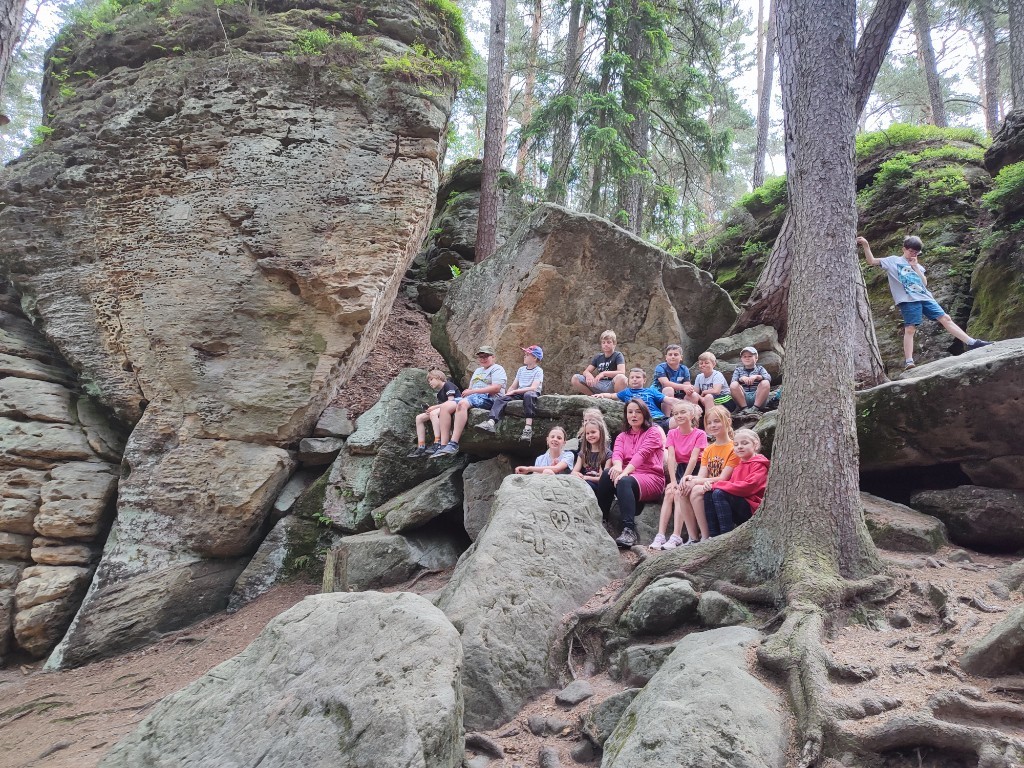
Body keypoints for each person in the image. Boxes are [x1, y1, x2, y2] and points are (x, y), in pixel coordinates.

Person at [858, 235, 991, 370]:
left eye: (916, 253)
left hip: (925, 297)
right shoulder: (893, 261)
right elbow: (872, 261)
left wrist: (915, 267)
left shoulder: (918, 265)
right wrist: (866, 245)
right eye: (911, 251)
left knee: (946, 318)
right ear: (904, 249)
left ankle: (972, 342)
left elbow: (924, 283)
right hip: (908, 300)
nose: (913, 254)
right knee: (910, 328)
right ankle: (909, 361)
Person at [594, 398, 667, 548]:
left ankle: (629, 531)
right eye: (630, 412)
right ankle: (602, 521)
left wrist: (624, 472)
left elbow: (642, 454)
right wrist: (618, 467)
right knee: (607, 474)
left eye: (638, 412)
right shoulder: (622, 436)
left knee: (624, 480)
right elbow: (617, 454)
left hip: (651, 477)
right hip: (627, 476)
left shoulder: (653, 432)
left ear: (644, 414)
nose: (633, 415)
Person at [672, 405, 739, 546]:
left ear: (728, 421)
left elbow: (724, 478)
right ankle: (693, 537)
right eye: (709, 423)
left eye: (717, 421)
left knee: (696, 490)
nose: (713, 425)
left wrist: (696, 482)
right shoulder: (709, 449)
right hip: (709, 483)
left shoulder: (734, 448)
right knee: (683, 488)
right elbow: (702, 474)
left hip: (724, 488)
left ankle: (705, 535)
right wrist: (689, 478)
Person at [650, 401, 707, 550]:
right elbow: (671, 457)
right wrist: (674, 480)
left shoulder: (700, 434)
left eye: (683, 412)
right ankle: (660, 535)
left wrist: (683, 480)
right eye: (675, 414)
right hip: (680, 469)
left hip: (695, 470)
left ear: (691, 415)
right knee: (670, 491)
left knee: (679, 493)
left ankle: (676, 536)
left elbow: (694, 458)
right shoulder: (672, 433)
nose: (679, 416)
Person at [433, 346, 507, 458]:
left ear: (493, 357)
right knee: (445, 406)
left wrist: (472, 391)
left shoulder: (497, 369)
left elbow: (496, 388)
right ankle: (443, 445)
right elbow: (471, 388)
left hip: (490, 398)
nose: (483, 359)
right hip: (474, 396)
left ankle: (453, 443)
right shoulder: (478, 371)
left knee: (462, 404)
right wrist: (469, 392)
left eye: (486, 356)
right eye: (480, 357)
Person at [700, 428, 769, 536]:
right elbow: (732, 485)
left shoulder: (759, 464)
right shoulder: (739, 465)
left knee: (719, 493)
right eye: (736, 444)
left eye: (744, 443)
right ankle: (713, 535)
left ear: (755, 445)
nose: (739, 447)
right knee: (709, 493)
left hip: (752, 508)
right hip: (739, 505)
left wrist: (716, 485)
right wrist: (711, 486)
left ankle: (726, 534)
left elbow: (748, 487)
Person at [476, 345, 544, 441]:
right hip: (519, 392)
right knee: (500, 399)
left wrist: (515, 391)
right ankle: (491, 422)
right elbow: (513, 386)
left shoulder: (538, 371)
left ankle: (528, 427)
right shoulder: (521, 370)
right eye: (525, 354)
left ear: (535, 358)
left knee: (528, 395)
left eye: (527, 355)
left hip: (531, 392)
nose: (524, 356)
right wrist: (507, 395)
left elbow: (533, 388)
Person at [593, 368, 677, 431]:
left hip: (660, 418)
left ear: (644, 380)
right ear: (628, 380)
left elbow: (668, 400)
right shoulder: (626, 392)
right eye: (632, 377)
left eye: (638, 377)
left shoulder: (651, 391)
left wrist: (683, 405)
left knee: (680, 420)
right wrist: (602, 395)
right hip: (644, 421)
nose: (634, 379)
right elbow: (612, 396)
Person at [407, 369, 460, 458]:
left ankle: (437, 442)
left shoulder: (448, 385)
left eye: (431, 379)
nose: (430, 383)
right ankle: (421, 446)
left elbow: (451, 400)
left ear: (439, 377)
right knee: (419, 418)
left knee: (433, 413)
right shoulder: (439, 393)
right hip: (443, 408)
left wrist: (434, 407)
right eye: (428, 382)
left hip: (455, 405)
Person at [570, 329, 628, 394]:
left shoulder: (617, 355)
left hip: (612, 384)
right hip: (599, 384)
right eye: (603, 342)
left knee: (621, 378)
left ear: (614, 344)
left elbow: (622, 372)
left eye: (608, 342)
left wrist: (604, 373)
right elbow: (586, 371)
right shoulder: (598, 357)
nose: (606, 344)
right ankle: (593, 397)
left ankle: (617, 398)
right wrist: (588, 375)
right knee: (575, 378)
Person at [571, 412, 613, 491]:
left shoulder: (608, 454)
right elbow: (573, 472)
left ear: (601, 432)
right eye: (587, 433)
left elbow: (604, 479)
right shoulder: (583, 453)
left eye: (593, 432)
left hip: (600, 488)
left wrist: (586, 478)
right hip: (584, 482)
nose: (590, 435)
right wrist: (577, 474)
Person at [728, 347, 771, 416]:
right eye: (744, 357)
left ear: (756, 358)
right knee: (734, 384)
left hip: (758, 398)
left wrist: (757, 377)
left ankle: (755, 408)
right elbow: (733, 382)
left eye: (750, 356)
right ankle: (744, 409)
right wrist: (741, 379)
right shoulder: (738, 370)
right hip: (743, 398)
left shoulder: (760, 369)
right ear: (741, 359)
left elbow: (768, 377)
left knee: (765, 382)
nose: (747, 358)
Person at [687, 352, 731, 416]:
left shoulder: (717, 375)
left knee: (708, 397)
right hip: (708, 399)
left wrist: (704, 392)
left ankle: (709, 419)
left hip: (724, 400)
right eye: (701, 363)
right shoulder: (699, 376)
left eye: (706, 363)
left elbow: (716, 391)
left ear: (713, 364)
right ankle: (694, 418)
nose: (703, 365)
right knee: (691, 396)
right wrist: (701, 398)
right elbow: (695, 392)